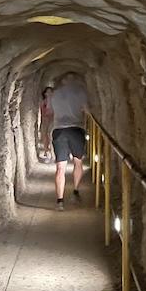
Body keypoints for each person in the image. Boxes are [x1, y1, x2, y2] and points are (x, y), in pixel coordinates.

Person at [49, 73, 88, 210]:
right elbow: (87, 109)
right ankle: (75, 191)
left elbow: (49, 110)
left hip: (59, 129)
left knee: (60, 167)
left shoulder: (55, 94)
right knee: (78, 162)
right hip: (76, 129)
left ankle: (60, 201)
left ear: (63, 81)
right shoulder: (80, 92)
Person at [38, 87, 54, 161]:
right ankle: (47, 152)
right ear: (45, 93)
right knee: (45, 136)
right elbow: (42, 111)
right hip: (45, 120)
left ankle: (52, 152)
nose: (49, 93)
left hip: (52, 120)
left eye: (50, 92)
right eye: (48, 92)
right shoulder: (43, 102)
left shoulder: (55, 101)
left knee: (51, 136)